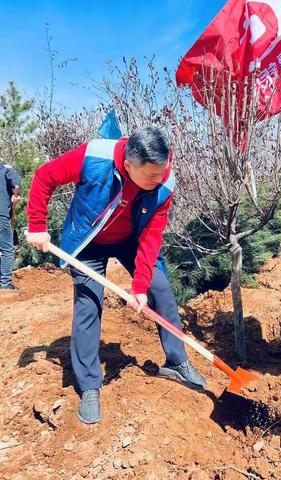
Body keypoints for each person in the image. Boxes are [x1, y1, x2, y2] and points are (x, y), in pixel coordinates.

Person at [25, 127, 206, 424]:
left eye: (162, 172)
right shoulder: (94, 156)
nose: (158, 180)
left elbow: (151, 237)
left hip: (131, 240)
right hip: (88, 242)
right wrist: (37, 225)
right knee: (88, 304)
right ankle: (89, 386)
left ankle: (177, 361)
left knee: (160, 289)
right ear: (128, 165)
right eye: (150, 175)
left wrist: (140, 287)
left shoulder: (164, 182)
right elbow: (45, 176)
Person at [0, 161, 21, 290]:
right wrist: (16, 195)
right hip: (1, 216)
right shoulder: (6, 169)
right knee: (7, 250)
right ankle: (5, 284)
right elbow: (16, 185)